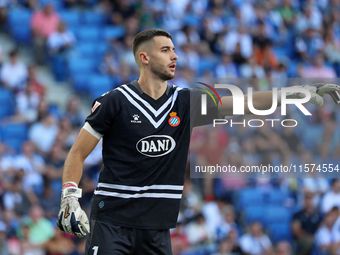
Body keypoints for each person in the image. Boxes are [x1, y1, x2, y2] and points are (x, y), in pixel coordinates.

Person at [56, 28, 340, 255]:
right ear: (144, 57)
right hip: (112, 223)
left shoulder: (185, 101)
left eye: (175, 50)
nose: (175, 56)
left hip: (157, 228)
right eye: (165, 50)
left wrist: (295, 92)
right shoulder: (115, 101)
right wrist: (70, 196)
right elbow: (77, 154)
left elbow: (243, 103)